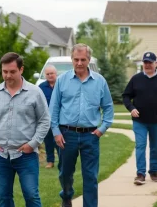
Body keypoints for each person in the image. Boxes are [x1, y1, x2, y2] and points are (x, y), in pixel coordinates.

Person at [0, 52, 50, 207]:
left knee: (31, 196)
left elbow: (44, 120)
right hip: (0, 155)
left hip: (26, 155)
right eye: (5, 71)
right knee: (4, 198)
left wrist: (33, 144)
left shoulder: (35, 92)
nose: (8, 75)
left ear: (21, 70)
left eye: (12, 71)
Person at [50, 43, 114, 207]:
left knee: (91, 176)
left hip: (90, 136)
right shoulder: (62, 80)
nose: (79, 63)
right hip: (66, 135)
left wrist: (101, 129)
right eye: (76, 59)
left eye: (83, 59)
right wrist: (56, 132)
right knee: (65, 173)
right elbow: (54, 108)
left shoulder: (100, 81)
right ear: (71, 59)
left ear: (89, 59)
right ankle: (66, 196)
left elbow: (108, 108)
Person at [122, 52, 157, 185]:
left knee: (155, 147)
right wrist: (131, 108)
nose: (147, 65)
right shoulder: (136, 79)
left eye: (150, 62)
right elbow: (126, 96)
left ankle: (154, 171)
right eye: (145, 62)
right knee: (140, 145)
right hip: (140, 121)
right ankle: (140, 174)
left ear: (156, 64)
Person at [39, 65, 59, 169]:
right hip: (46, 119)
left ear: (56, 74)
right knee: (48, 141)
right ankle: (50, 161)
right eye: (48, 74)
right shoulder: (41, 87)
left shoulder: (61, 85)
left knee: (60, 140)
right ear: (45, 75)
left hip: (60, 119)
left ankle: (63, 161)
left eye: (52, 73)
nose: (50, 75)